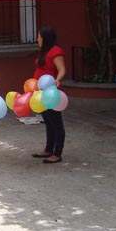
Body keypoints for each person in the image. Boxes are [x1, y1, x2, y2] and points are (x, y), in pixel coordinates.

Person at [30, 25, 67, 164]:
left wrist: (58, 79)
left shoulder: (55, 51)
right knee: (48, 121)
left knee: (56, 122)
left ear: (45, 38)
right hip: (41, 93)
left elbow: (62, 69)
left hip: (51, 93)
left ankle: (57, 153)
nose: (37, 39)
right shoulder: (44, 52)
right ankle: (48, 149)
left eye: (39, 37)